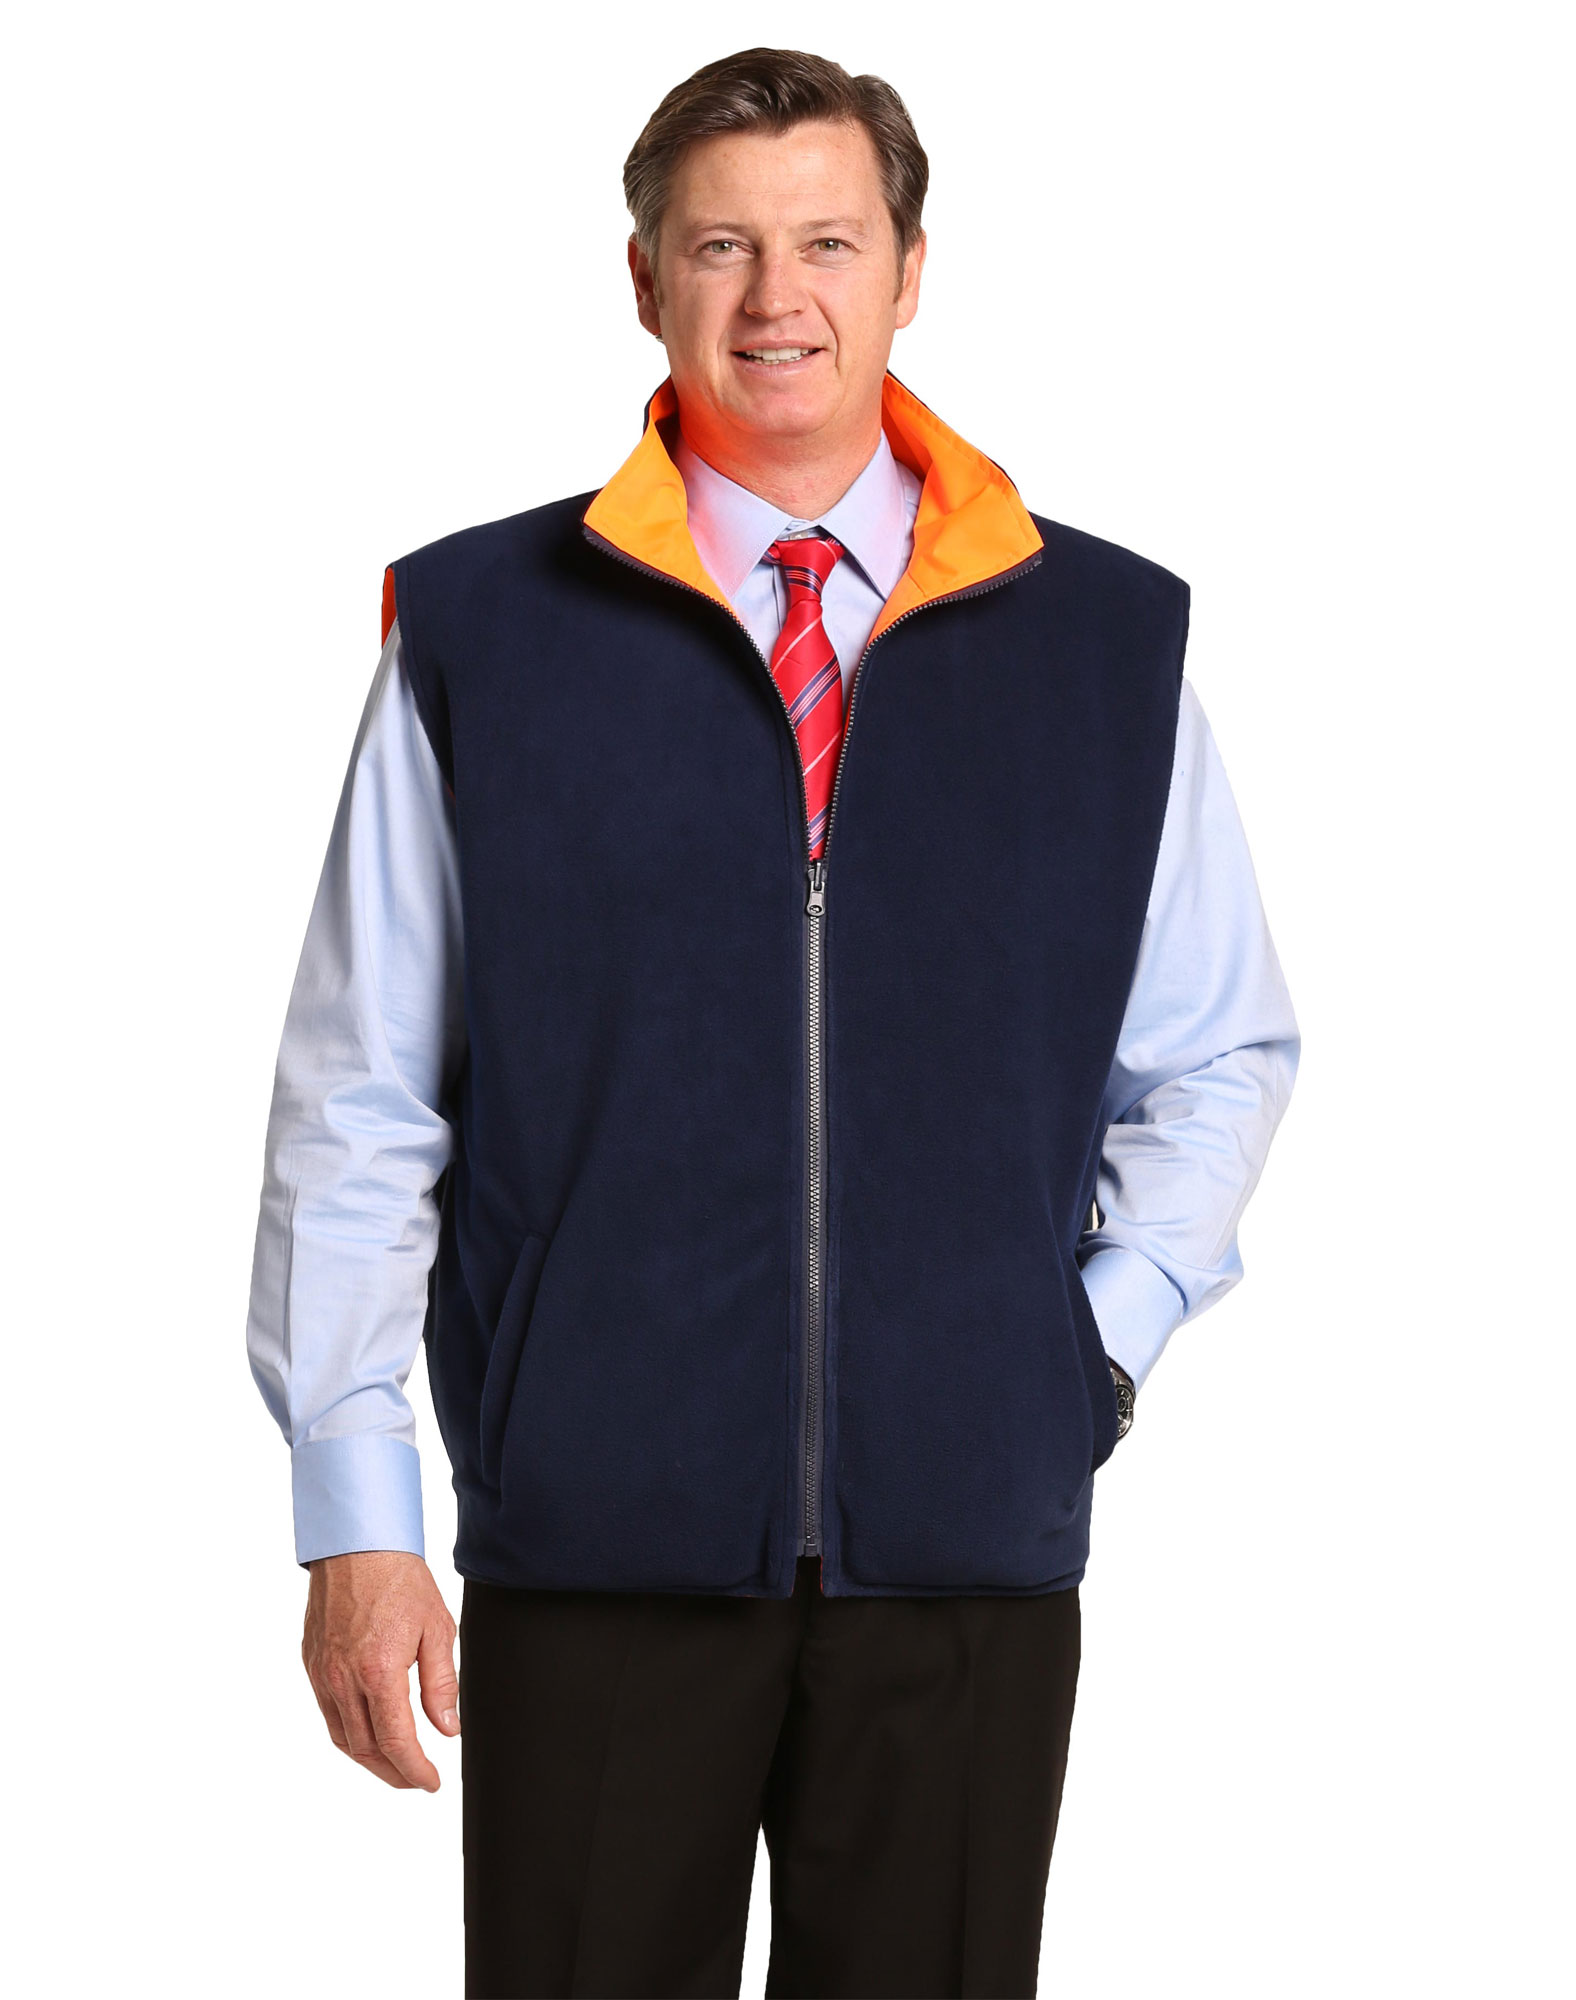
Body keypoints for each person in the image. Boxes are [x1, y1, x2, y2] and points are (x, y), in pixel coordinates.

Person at [246, 45, 1300, 2000]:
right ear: (643, 279)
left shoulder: (1100, 643)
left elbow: (1218, 1050)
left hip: (966, 1559)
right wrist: (355, 1508)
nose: (773, 297)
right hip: (593, 1544)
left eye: (825, 241)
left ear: (910, 271)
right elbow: (360, 1095)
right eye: (719, 245)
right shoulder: (484, 631)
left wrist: (1082, 1348)